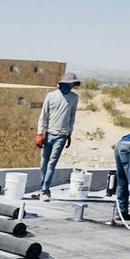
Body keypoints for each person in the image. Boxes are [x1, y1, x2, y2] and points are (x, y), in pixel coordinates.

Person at [35, 71, 80, 201]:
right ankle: (44, 188)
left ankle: (44, 190)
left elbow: (72, 117)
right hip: (49, 134)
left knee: (51, 163)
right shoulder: (51, 96)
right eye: (70, 83)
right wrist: (39, 133)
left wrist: (69, 133)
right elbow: (43, 117)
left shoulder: (74, 97)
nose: (71, 86)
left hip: (62, 135)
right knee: (43, 163)